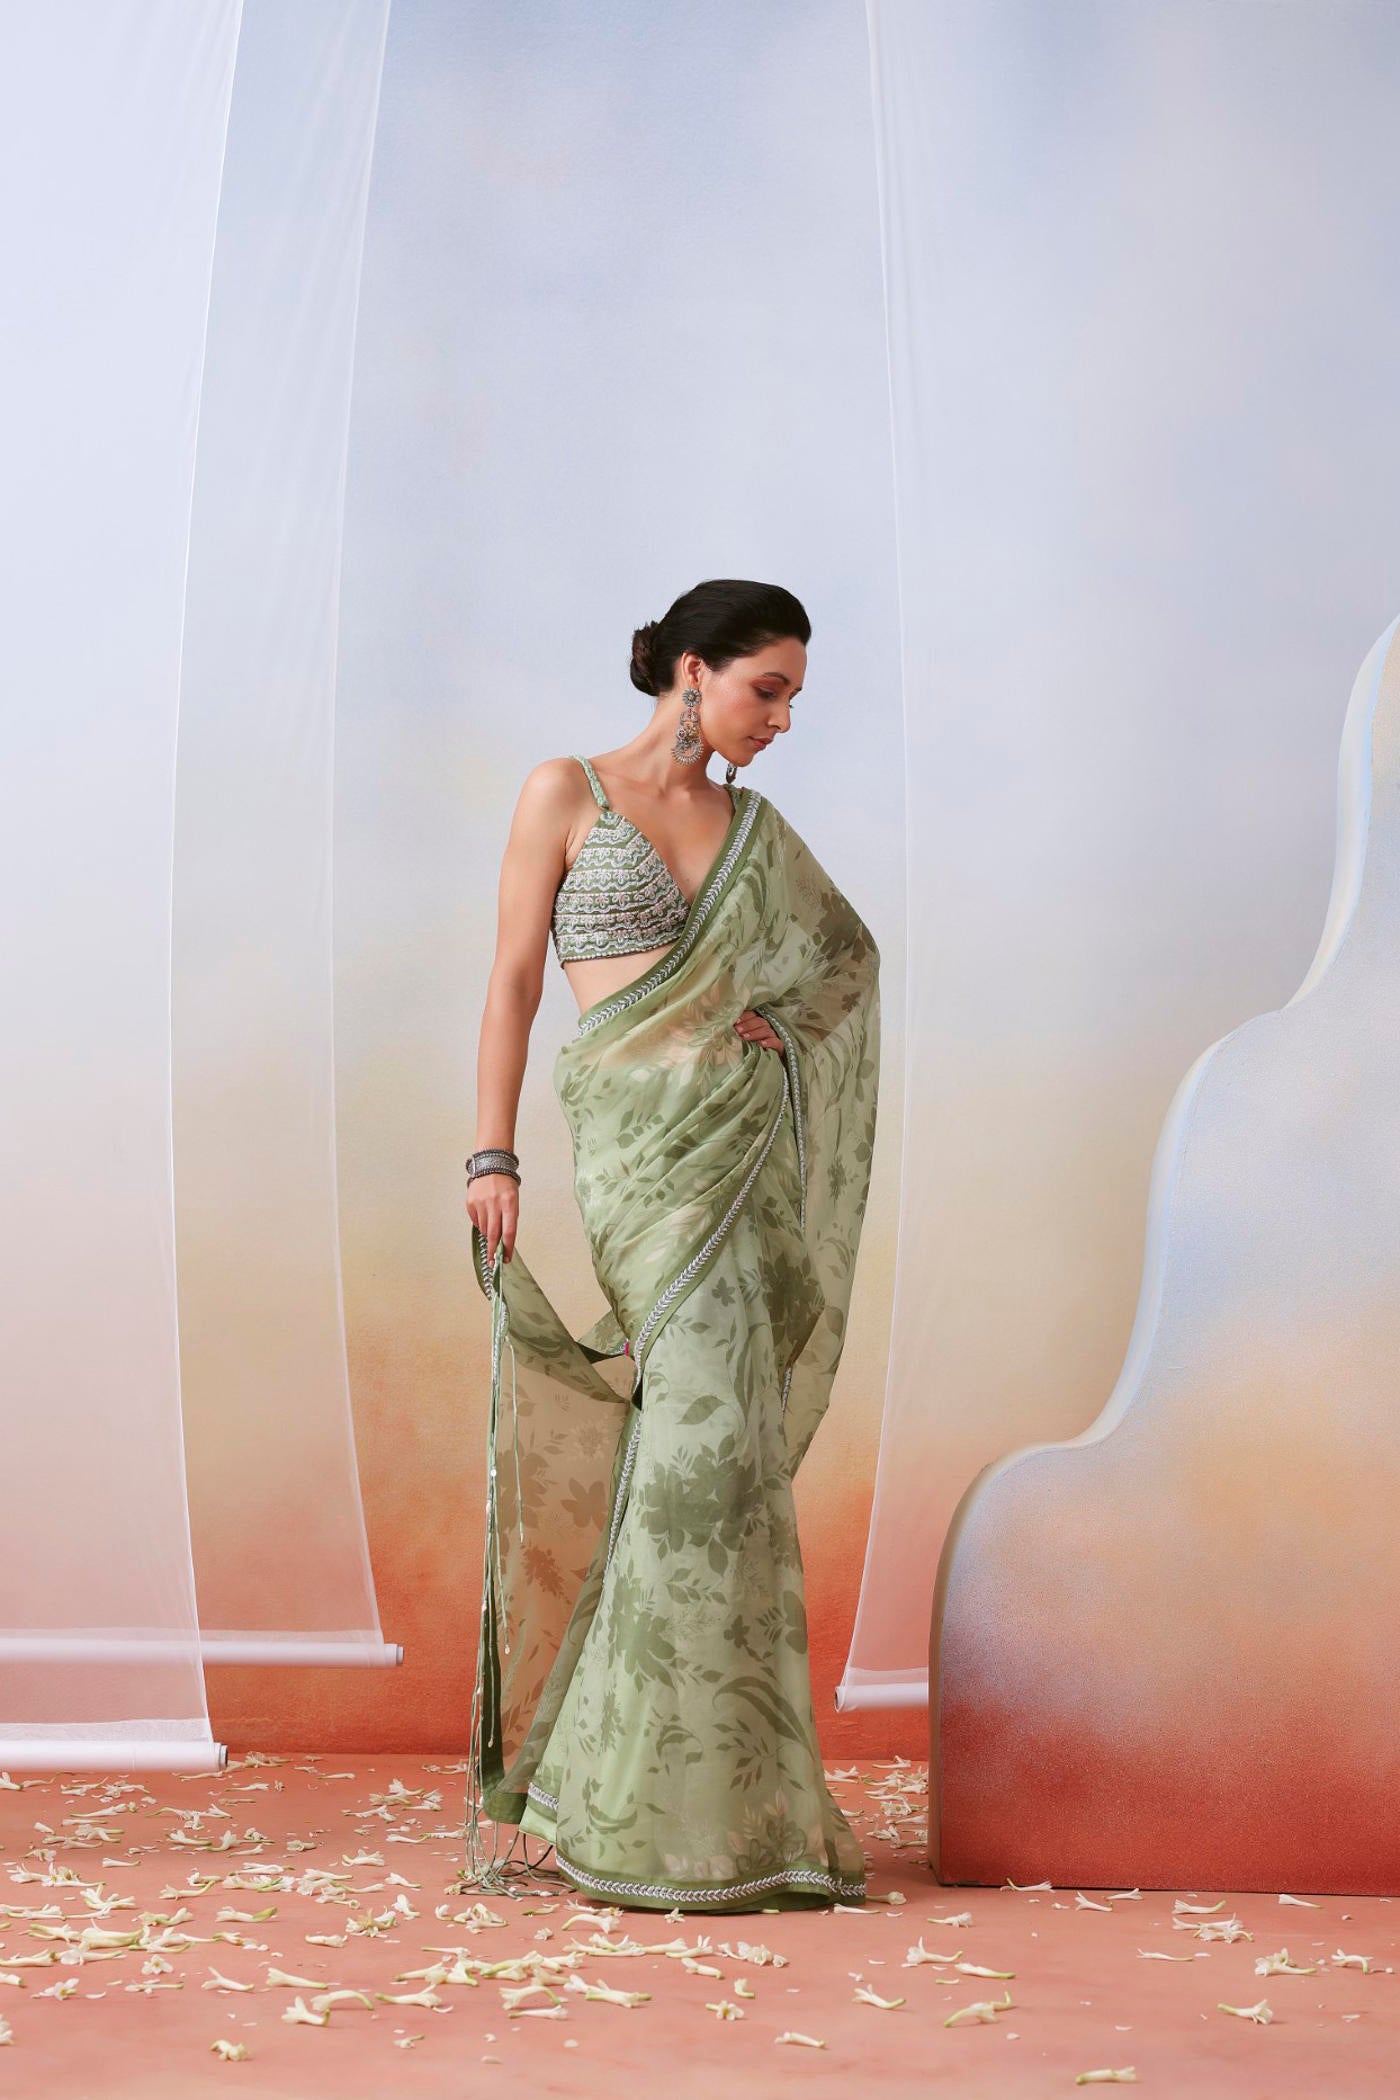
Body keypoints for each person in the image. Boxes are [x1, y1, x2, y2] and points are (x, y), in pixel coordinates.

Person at [460, 577, 880, 1912]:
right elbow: (515, 978)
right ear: (692, 670)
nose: (782, 719)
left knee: (723, 1463)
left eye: (794, 698)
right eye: (768, 689)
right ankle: (642, 1800)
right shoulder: (565, 791)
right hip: (639, 1160)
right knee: (696, 1452)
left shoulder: (753, 830)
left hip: (742, 1156)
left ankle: (698, 1806)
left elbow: (847, 962)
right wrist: (491, 1152)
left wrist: (773, 1034)